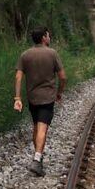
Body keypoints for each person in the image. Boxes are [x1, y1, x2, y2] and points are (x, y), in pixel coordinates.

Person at [14, 27, 66, 177]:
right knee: (42, 129)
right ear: (43, 37)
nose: (49, 38)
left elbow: (18, 77)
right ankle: (37, 160)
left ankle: (38, 156)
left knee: (36, 127)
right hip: (47, 97)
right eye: (48, 36)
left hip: (33, 98)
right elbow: (63, 77)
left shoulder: (25, 55)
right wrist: (59, 92)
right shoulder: (52, 53)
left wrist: (17, 98)